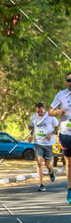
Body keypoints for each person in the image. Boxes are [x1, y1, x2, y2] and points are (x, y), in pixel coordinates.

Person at [49, 72, 71, 203]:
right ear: (66, 82)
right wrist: (58, 111)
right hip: (66, 134)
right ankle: (70, 188)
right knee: (69, 163)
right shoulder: (60, 95)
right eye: (69, 80)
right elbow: (50, 112)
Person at [29, 102, 57, 190]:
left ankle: (51, 171)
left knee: (47, 164)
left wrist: (51, 134)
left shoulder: (50, 117)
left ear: (44, 108)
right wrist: (31, 135)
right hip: (38, 143)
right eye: (38, 112)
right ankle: (41, 184)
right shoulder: (33, 117)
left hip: (48, 144)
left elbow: (56, 127)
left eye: (41, 111)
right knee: (39, 162)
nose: (39, 113)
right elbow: (32, 127)